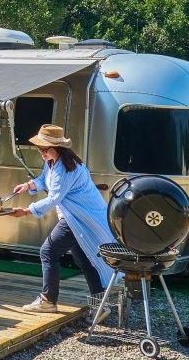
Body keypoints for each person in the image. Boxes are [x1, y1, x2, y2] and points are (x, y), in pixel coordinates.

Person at [10, 124, 116, 314]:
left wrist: (26, 211)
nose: (42, 152)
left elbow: (54, 198)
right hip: (79, 216)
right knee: (84, 259)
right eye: (40, 148)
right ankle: (101, 305)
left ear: (57, 147)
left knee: (47, 252)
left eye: (45, 148)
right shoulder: (54, 161)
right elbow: (44, 179)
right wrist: (28, 185)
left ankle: (48, 300)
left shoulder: (66, 168)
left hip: (79, 217)